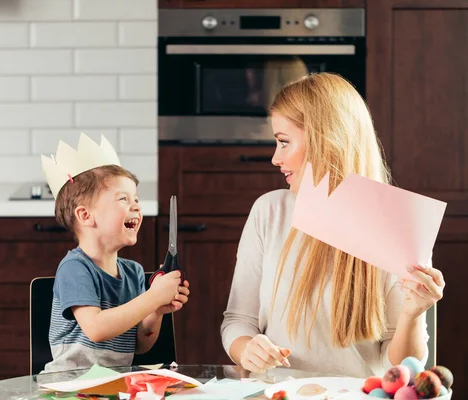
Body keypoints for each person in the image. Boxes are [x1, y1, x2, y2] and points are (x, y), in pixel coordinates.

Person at [220, 73, 445, 379]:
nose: (275, 158)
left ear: (324, 140)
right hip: (276, 393)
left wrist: (413, 314)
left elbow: (402, 366)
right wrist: (246, 349)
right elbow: (237, 319)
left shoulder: (398, 227)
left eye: (285, 142)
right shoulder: (269, 211)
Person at [40, 135, 190, 372]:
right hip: (69, 387)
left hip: (114, 386)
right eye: (123, 199)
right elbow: (97, 329)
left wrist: (156, 310)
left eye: (136, 199)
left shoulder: (134, 272)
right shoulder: (75, 268)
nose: (136, 206)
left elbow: (140, 345)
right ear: (86, 215)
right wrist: (152, 296)